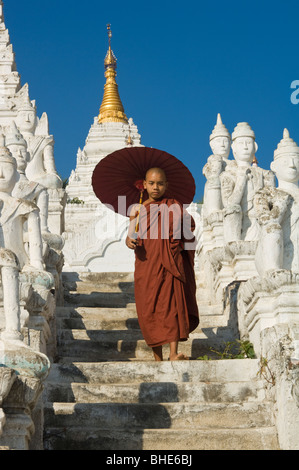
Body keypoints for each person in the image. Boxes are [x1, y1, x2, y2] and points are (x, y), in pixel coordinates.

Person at [126, 167, 199, 361]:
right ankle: (157, 356)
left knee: (171, 304)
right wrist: (129, 240)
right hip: (146, 263)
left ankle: (173, 353)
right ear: (144, 185)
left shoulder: (173, 206)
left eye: (160, 183)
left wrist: (177, 239)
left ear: (166, 185)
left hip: (169, 261)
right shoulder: (138, 209)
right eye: (151, 183)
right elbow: (130, 235)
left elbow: (189, 226)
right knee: (149, 307)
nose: (156, 187)